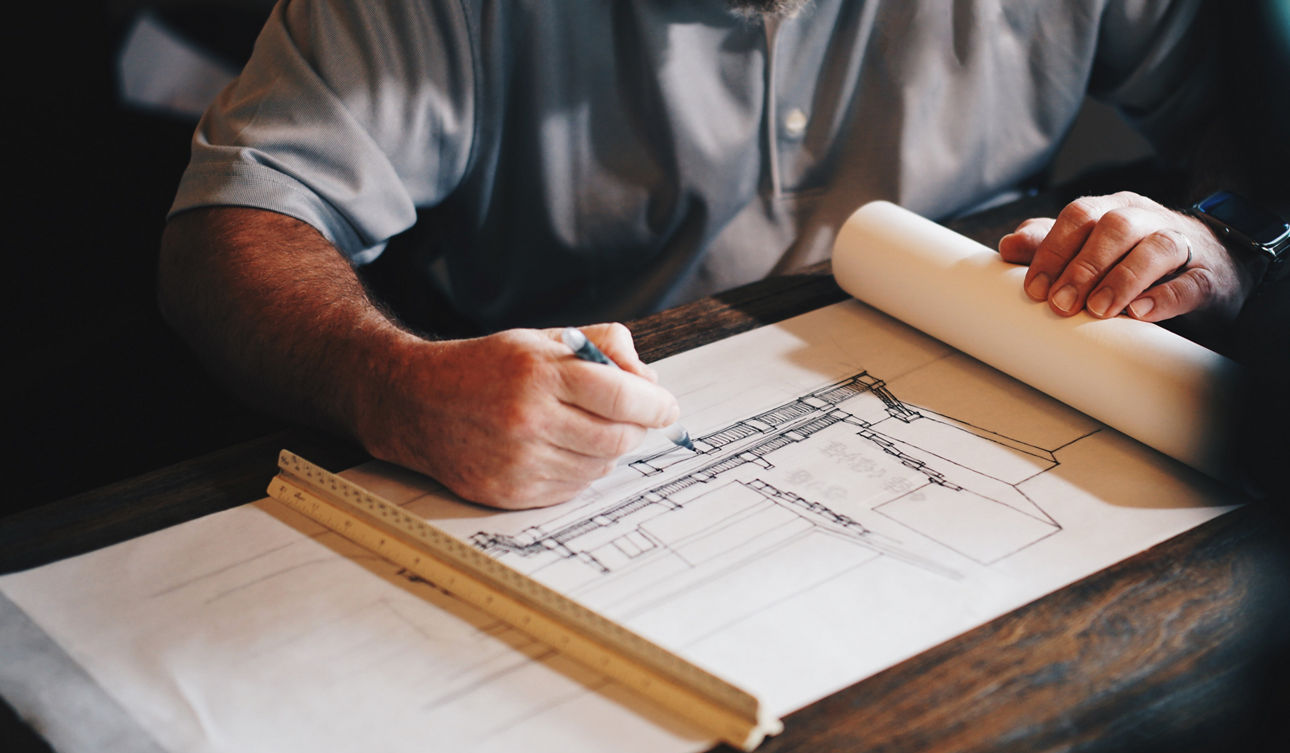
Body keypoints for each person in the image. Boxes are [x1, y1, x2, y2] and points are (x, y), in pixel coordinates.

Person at [157, 0, 1279, 510]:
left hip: (1010, 437)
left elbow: (1251, 130)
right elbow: (234, 227)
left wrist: (1220, 241)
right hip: (582, 452)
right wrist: (388, 382)